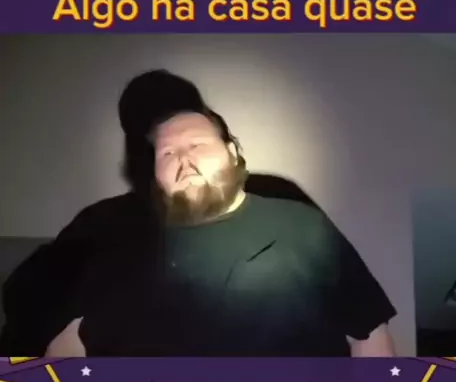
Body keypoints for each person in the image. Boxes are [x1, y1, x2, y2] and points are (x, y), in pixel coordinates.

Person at [0, 71, 397, 357]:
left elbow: (368, 334)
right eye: (167, 152)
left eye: (197, 144)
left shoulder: (298, 221)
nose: (184, 160)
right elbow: (59, 337)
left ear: (233, 152)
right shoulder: (108, 229)